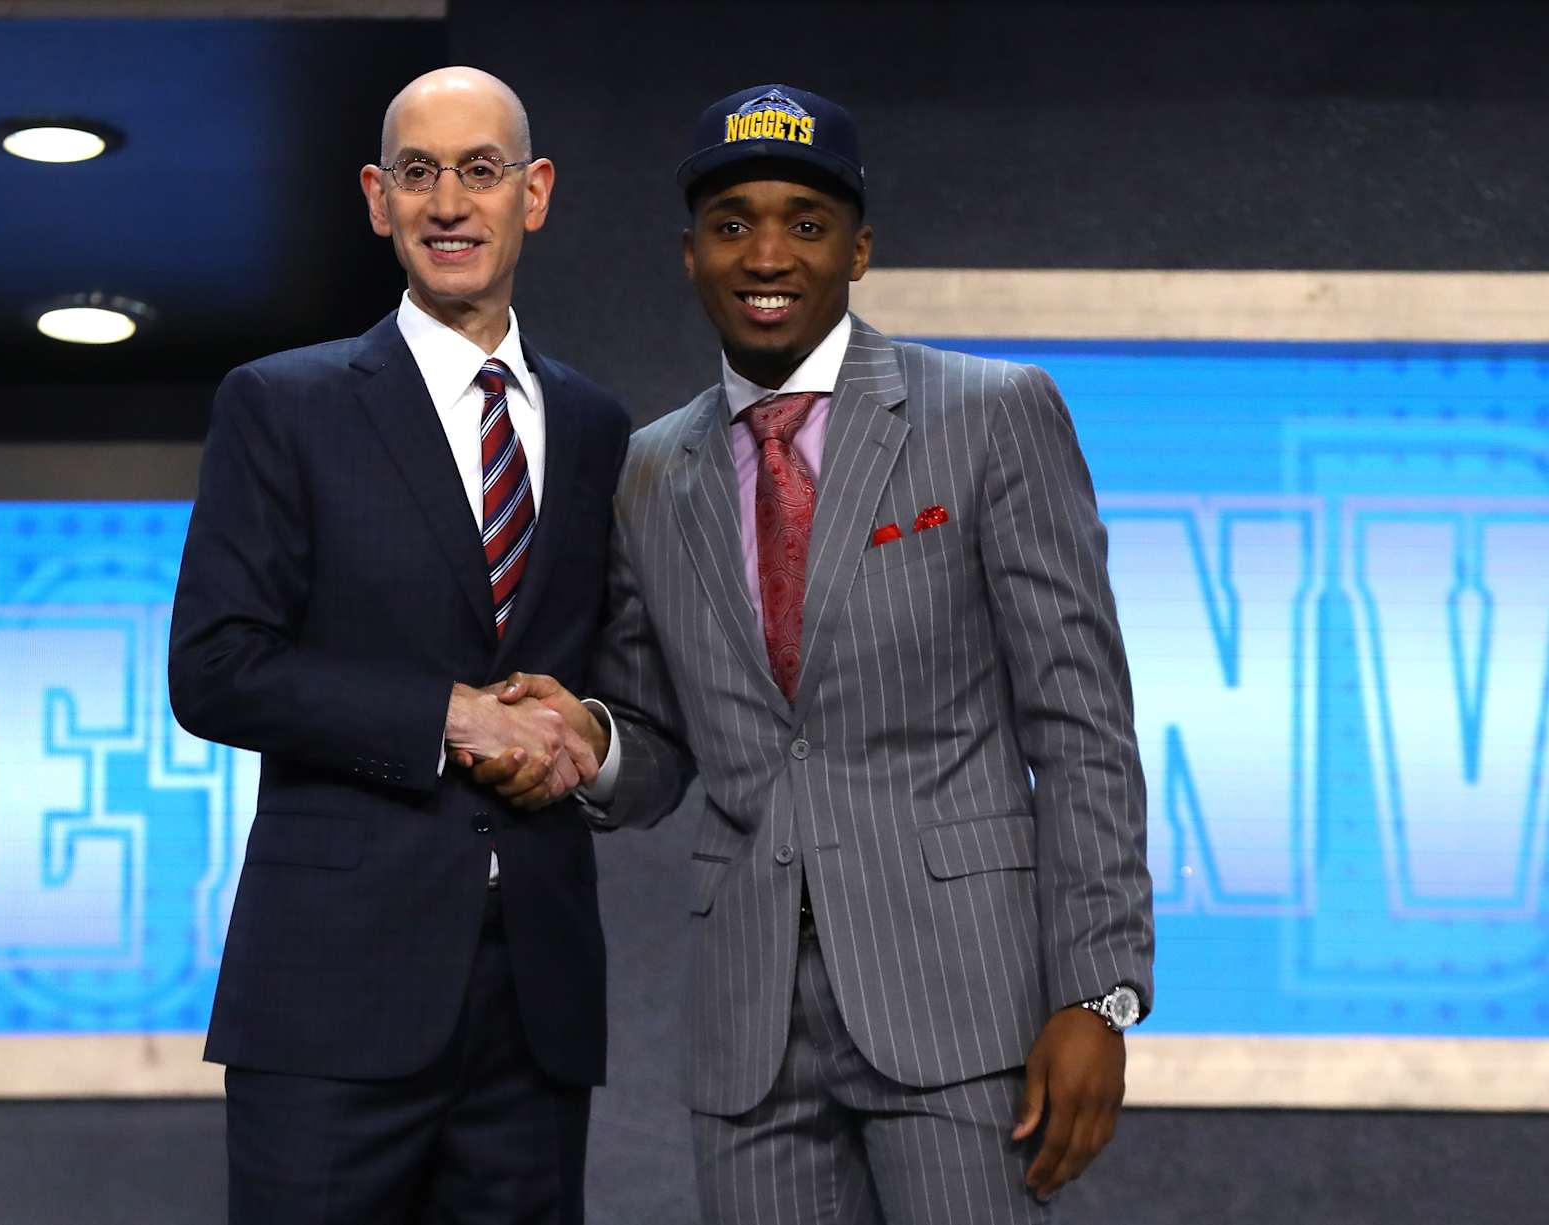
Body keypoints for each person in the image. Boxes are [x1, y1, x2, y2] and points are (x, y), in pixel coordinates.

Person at [476, 84, 1154, 1221]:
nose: (767, 252)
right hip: (750, 1036)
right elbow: (654, 739)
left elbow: (1081, 727)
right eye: (733, 222)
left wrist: (1098, 990)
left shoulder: (991, 414)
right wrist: (581, 742)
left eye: (806, 219)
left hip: (962, 1007)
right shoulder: (650, 471)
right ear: (690, 255)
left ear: (860, 248)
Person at [167, 66, 629, 1225]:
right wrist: (450, 715)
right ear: (377, 199)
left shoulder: (596, 427)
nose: (447, 202)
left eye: (480, 171)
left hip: (534, 1000)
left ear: (537, 193)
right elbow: (215, 664)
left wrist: (591, 733)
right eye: (417, 174)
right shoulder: (284, 403)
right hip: (329, 992)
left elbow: (624, 682)